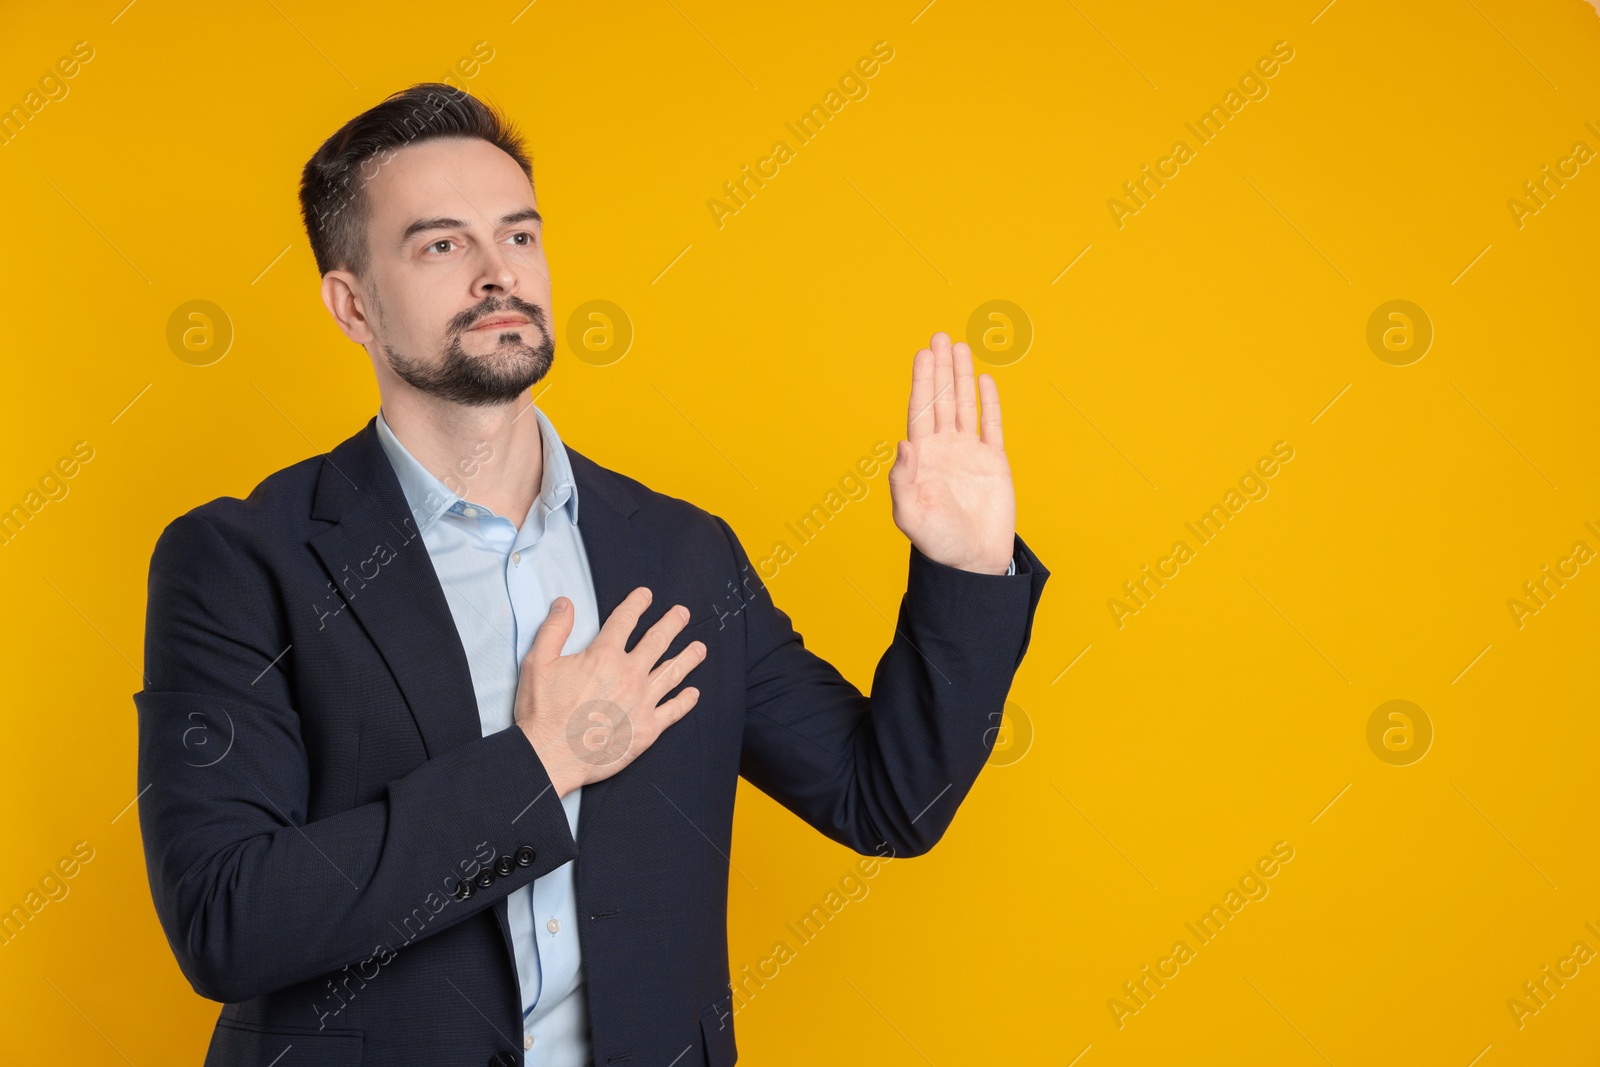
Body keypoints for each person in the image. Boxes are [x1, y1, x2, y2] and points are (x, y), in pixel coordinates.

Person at [134, 82, 1050, 1067]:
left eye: (519, 237)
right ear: (352, 303)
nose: (499, 274)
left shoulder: (682, 550)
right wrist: (539, 764)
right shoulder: (241, 557)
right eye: (441, 245)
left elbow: (887, 801)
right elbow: (226, 917)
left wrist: (964, 566)